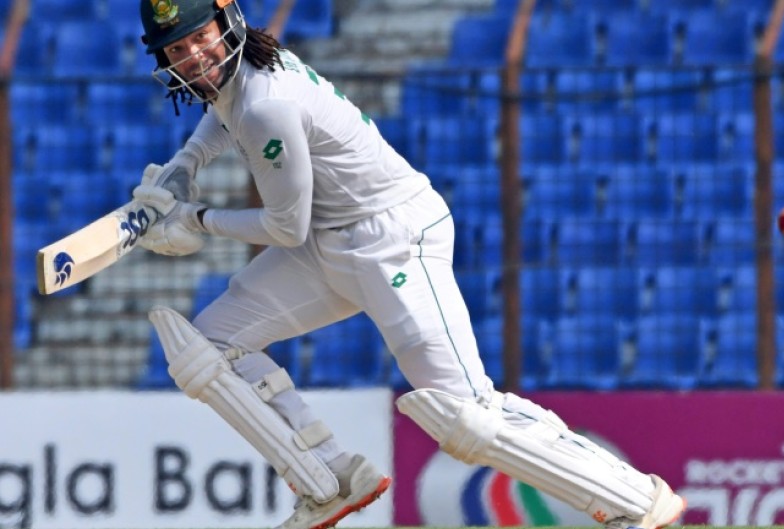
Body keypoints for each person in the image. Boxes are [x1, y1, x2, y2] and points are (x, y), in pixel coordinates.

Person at [134, 1, 688, 529]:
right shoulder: (247, 72)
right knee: (212, 346)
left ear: (227, 24)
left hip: (392, 240)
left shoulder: (266, 103)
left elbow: (284, 227)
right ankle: (328, 479)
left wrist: (195, 219)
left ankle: (635, 500)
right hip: (330, 241)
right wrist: (187, 163)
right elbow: (225, 115)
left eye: (199, 38)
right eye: (177, 49)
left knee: (464, 415)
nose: (193, 57)